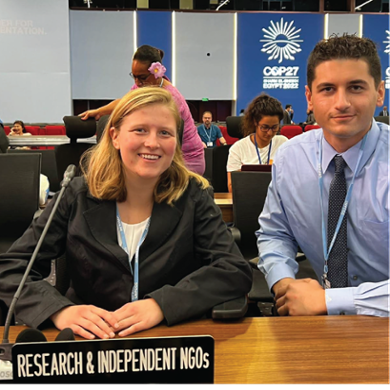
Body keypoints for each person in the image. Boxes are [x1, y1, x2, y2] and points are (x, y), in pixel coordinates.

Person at [0, 87, 252, 339]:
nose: (152, 142)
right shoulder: (76, 194)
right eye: (140, 130)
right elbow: (12, 268)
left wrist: (163, 304)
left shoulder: (194, 195)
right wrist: (59, 311)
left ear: (176, 143)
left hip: (168, 338)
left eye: (165, 132)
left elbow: (233, 269)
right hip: (89, 343)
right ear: (115, 136)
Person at [256, 34, 389, 317]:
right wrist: (285, 284)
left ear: (379, 92)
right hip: (316, 322)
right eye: (327, 89)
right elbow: (275, 233)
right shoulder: (291, 159)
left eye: (355, 87)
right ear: (309, 97)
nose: (341, 103)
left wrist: (331, 301)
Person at [79, 45, 205, 175]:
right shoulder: (144, 86)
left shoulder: (171, 98)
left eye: (142, 77)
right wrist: (99, 111)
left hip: (186, 160)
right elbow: (125, 101)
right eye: (134, 77)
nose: (137, 82)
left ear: (157, 73)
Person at [226, 93, 288, 192]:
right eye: (265, 127)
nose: (270, 132)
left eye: (274, 127)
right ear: (255, 122)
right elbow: (232, 187)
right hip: (249, 199)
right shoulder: (238, 148)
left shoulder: (283, 143)